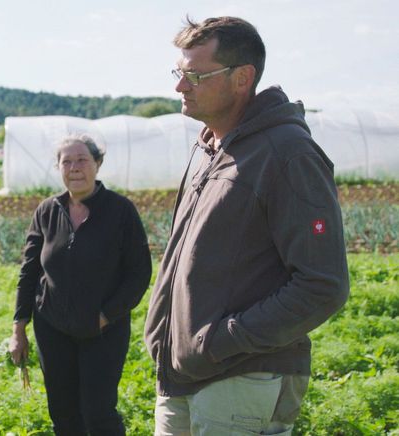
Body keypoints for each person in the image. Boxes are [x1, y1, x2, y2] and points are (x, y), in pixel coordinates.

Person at [143, 16, 349, 435]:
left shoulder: (287, 153)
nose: (180, 87)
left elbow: (322, 284)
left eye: (195, 75)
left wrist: (224, 340)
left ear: (243, 78)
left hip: (242, 378)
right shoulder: (209, 147)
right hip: (183, 371)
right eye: (179, 74)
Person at [9, 133, 153, 435]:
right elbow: (29, 271)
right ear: (59, 168)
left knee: (98, 412)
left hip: (103, 330)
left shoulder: (120, 211)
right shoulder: (47, 211)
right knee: (63, 413)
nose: (75, 167)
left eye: (82, 160)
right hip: (52, 328)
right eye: (67, 161)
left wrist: (105, 316)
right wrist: (18, 328)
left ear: (97, 164)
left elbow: (139, 274)